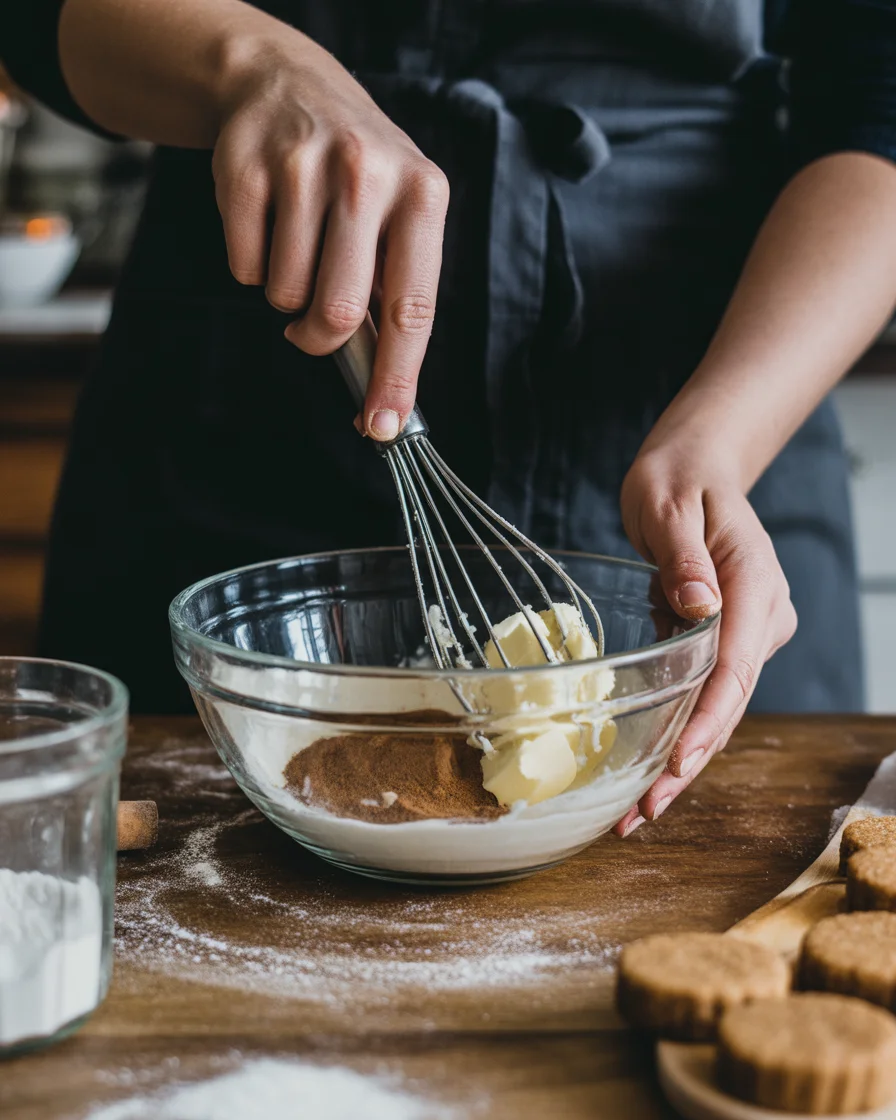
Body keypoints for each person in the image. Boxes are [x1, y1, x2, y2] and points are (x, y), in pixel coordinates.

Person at [5, 1, 895, 837]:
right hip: (229, 418)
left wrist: (721, 439)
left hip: (719, 385)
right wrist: (245, 61)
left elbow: (879, 107)